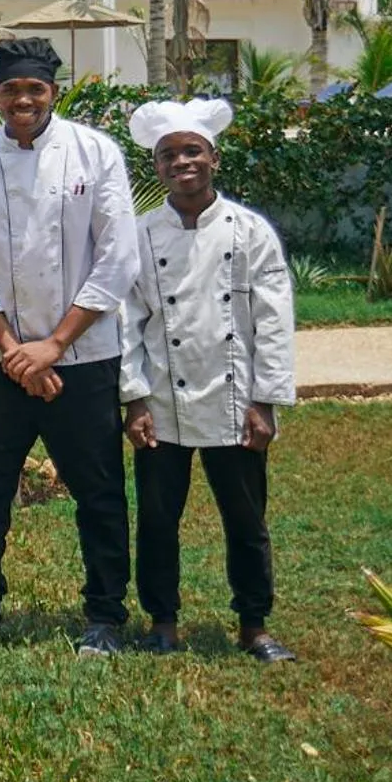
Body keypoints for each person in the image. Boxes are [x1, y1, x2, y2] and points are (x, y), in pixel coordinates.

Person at [0, 37, 139, 655]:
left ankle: (105, 615)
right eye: (10, 90)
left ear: (54, 91)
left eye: (34, 89)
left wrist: (54, 345)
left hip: (82, 357)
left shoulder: (95, 153)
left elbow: (117, 258)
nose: (22, 100)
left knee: (100, 489)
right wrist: (14, 350)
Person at [121, 99, 298, 663]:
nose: (182, 163)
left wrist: (266, 400)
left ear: (214, 158)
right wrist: (133, 397)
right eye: (169, 155)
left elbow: (272, 321)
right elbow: (126, 321)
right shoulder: (141, 235)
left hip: (233, 399)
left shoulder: (250, 231)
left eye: (192, 151)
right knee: (156, 519)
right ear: (156, 168)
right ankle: (162, 622)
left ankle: (254, 625)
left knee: (246, 518)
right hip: (162, 402)